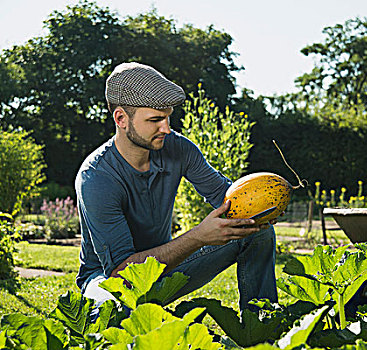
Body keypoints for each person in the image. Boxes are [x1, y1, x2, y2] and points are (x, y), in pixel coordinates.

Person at [75, 62, 277, 311]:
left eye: (168, 118)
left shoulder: (178, 148)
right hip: (111, 278)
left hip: (168, 266)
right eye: (155, 120)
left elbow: (224, 197)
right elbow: (121, 272)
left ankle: (263, 326)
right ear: (121, 118)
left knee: (255, 231)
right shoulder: (96, 177)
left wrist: (260, 208)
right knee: (109, 312)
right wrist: (198, 237)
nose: (166, 128)